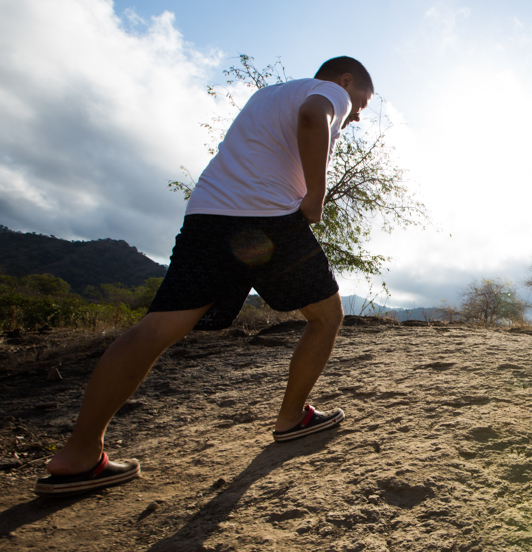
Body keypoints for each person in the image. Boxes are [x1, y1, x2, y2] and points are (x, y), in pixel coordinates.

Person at [34, 56, 375, 496]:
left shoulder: (267, 96)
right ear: (346, 81)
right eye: (361, 103)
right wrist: (315, 198)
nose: (357, 115)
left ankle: (79, 453)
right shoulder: (329, 92)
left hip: (207, 215)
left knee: (157, 328)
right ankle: (292, 418)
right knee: (327, 316)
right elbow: (314, 117)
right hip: (266, 218)